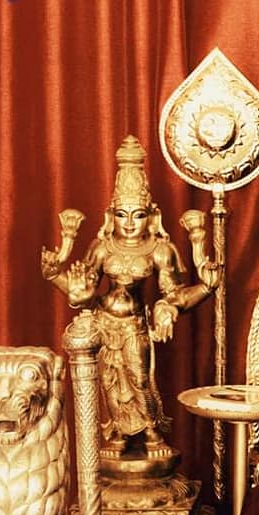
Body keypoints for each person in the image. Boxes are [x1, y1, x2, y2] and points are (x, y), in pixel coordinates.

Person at [41, 136, 218, 457]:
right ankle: (119, 435)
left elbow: (175, 295)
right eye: (122, 214)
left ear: (151, 216)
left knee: (139, 379)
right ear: (112, 216)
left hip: (135, 326)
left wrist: (205, 288)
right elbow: (83, 292)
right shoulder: (102, 247)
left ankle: (152, 432)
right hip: (104, 323)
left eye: (138, 215)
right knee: (109, 381)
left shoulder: (159, 249)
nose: (130, 223)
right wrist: (55, 276)